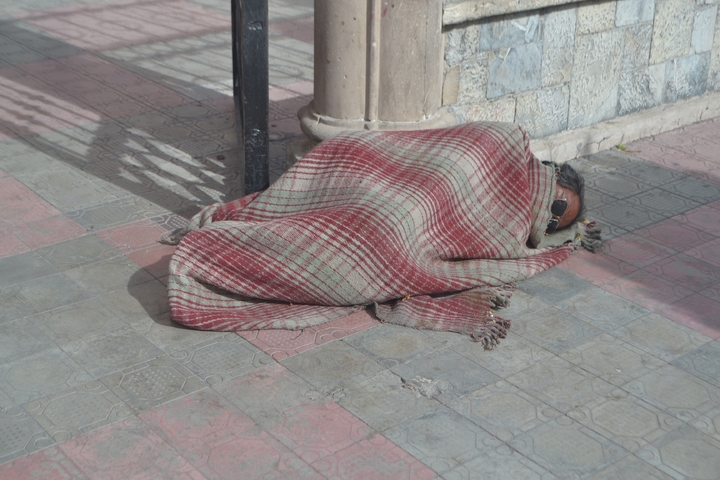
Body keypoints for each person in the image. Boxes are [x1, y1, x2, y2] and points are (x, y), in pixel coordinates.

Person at [164, 122, 593, 348]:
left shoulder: (512, 232)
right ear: (554, 176)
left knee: (372, 243)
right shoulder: (507, 140)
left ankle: (214, 255)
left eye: (554, 223)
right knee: (350, 171)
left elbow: (486, 241)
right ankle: (248, 227)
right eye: (557, 205)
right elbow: (433, 146)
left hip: (399, 222)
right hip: (372, 166)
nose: (547, 217)